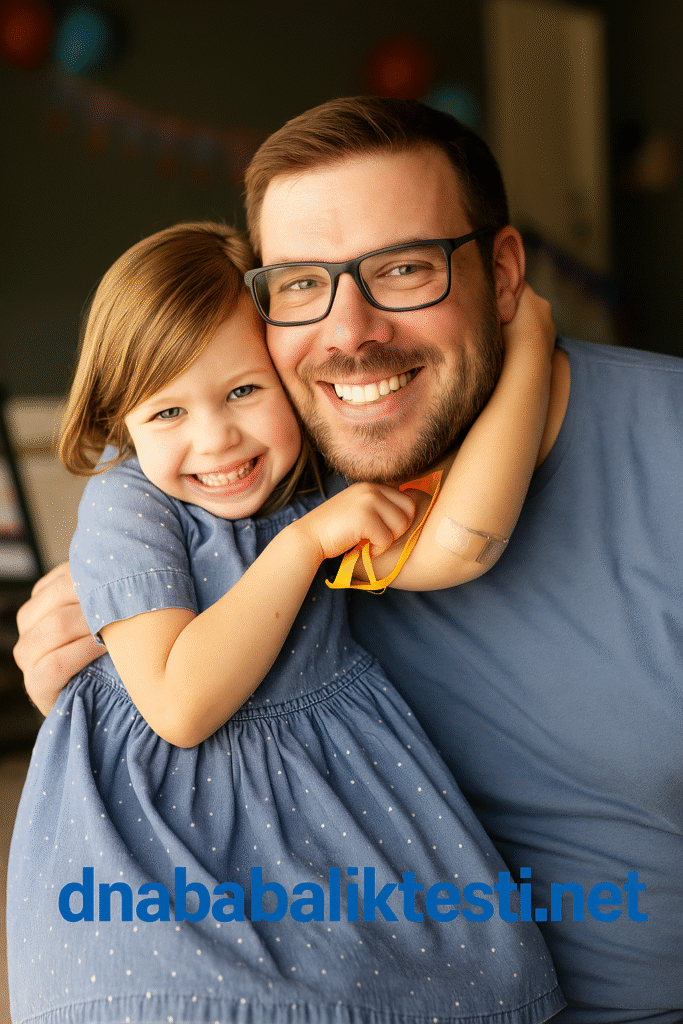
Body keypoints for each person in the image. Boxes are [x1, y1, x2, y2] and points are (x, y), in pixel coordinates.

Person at [14, 96, 683, 1020]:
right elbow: (164, 677)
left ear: (500, 275)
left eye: (403, 269)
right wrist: (91, 686)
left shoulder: (655, 458)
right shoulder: (270, 472)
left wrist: (531, 336)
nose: (349, 332)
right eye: (300, 284)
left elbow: (461, 542)